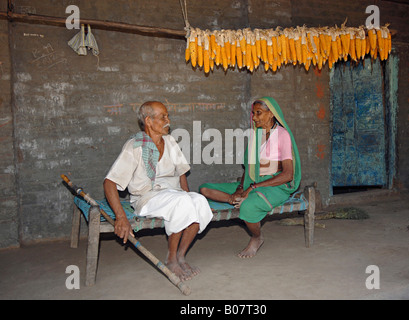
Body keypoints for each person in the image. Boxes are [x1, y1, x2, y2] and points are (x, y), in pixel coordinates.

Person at [104, 101, 213, 281]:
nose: (168, 120)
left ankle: (180, 256)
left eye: (167, 116)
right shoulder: (134, 146)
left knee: (199, 202)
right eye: (163, 117)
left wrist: (188, 195)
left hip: (174, 195)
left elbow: (181, 173)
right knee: (184, 202)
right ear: (148, 120)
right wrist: (121, 217)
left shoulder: (169, 141)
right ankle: (171, 259)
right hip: (147, 198)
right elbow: (109, 182)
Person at [200, 97, 301, 258]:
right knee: (205, 188)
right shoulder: (257, 135)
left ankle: (256, 237)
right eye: (253, 113)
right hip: (252, 182)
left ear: (271, 114)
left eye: (258, 113)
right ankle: (234, 200)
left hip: (275, 185)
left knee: (248, 207)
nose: (254, 117)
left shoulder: (282, 135)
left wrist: (252, 188)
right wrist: (240, 189)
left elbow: (288, 175)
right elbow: (248, 169)